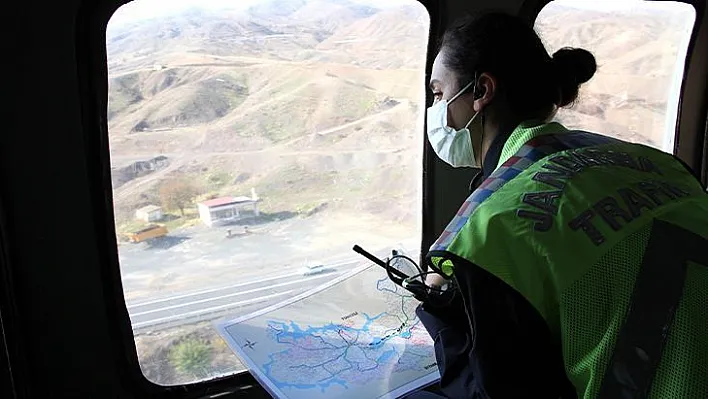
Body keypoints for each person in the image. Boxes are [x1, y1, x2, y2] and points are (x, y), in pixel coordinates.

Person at [410, 11, 708, 399]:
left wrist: (445, 313)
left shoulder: (493, 231)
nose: (437, 108)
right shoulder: (660, 164)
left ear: (481, 91)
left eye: (438, 93)